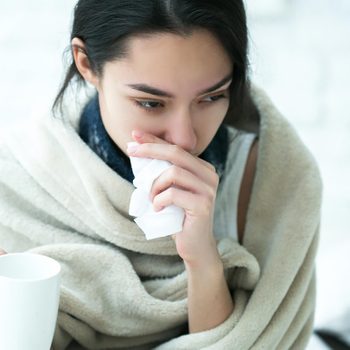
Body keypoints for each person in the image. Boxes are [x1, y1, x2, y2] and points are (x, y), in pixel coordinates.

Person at [0, 1, 322, 349]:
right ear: (87, 64)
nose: (184, 138)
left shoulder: (271, 180)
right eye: (151, 103)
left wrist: (202, 259)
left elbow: (252, 342)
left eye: (212, 96)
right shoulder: (18, 179)